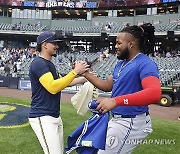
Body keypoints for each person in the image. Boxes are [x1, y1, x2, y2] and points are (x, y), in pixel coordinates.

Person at [83, 23, 162, 153]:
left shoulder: (145, 63)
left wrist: (115, 101)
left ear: (131, 44)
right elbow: (107, 86)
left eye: (119, 43)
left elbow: (154, 93)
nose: (116, 46)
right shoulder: (121, 64)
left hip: (131, 122)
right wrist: (85, 74)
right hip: (119, 120)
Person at [28, 31, 89, 154]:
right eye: (54, 43)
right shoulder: (39, 63)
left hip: (54, 115)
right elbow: (52, 87)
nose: (57, 46)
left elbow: (62, 83)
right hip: (42, 116)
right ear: (45, 45)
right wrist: (75, 72)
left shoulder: (49, 64)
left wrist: (85, 78)